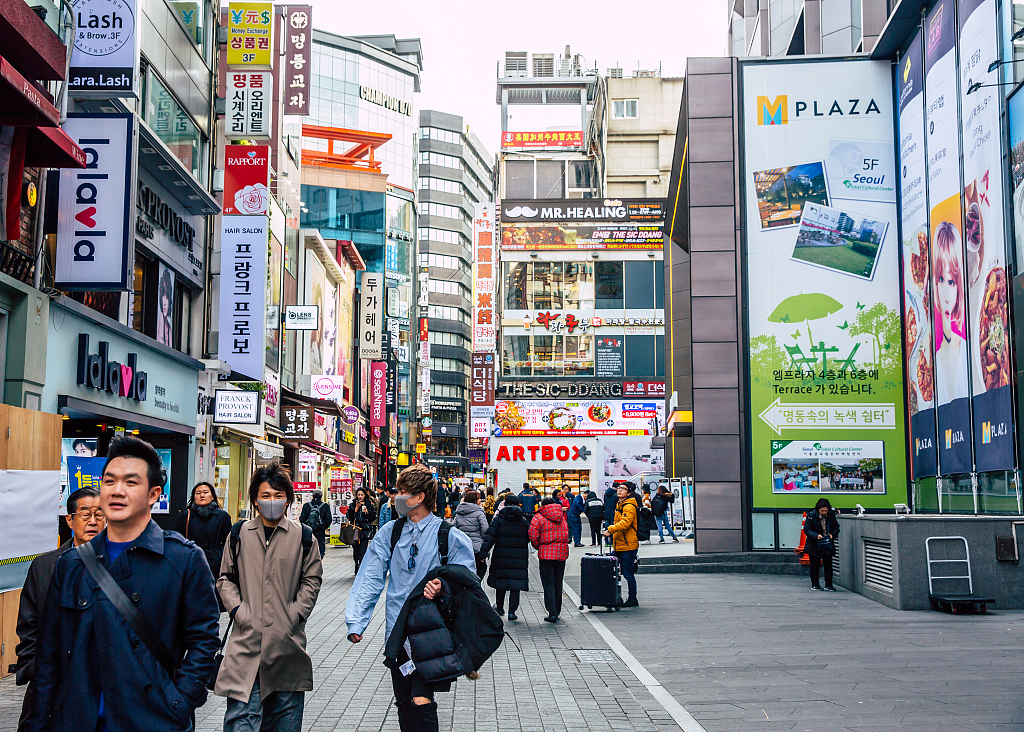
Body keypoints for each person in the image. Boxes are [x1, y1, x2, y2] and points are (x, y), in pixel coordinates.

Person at [25, 435, 220, 732]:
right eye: (109, 481)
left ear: (154, 494)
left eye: (131, 482)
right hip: (77, 721)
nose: (117, 491)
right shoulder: (71, 563)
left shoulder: (184, 559)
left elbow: (204, 642)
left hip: (152, 721)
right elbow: (49, 654)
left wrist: (179, 701)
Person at [345, 464, 476, 732]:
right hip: (398, 633)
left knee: (421, 699)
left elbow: (467, 582)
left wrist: (443, 587)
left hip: (432, 633)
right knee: (404, 700)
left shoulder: (449, 536)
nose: (397, 498)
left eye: (403, 492)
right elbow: (370, 577)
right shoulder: (390, 533)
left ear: (420, 497)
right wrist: (356, 622)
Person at [215, 460, 324, 732]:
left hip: (287, 647)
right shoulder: (239, 534)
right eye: (265, 495)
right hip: (246, 647)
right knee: (241, 723)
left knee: (284, 722)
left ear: (288, 500)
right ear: (255, 499)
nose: (272, 501)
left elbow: (312, 580)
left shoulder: (304, 537)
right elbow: (225, 578)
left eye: (278, 495)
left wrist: (296, 614)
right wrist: (239, 611)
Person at [15, 487, 105, 732]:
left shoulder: (119, 566)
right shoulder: (45, 566)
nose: (93, 521)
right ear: (69, 519)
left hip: (101, 687)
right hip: (52, 684)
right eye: (85, 515)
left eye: (100, 514)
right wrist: (37, 669)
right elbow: (28, 627)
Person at [933, 220, 969, 405]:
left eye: (951, 282)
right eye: (941, 279)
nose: (947, 296)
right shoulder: (932, 362)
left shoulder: (970, 353)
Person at [478, 494, 530, 621]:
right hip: (519, 557)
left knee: (501, 582)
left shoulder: (499, 519)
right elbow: (529, 537)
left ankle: (500, 607)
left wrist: (483, 553)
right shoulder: (523, 521)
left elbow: (489, 537)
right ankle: (512, 611)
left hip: (500, 555)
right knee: (515, 584)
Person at [174, 481, 232, 581]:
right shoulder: (186, 516)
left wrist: (219, 555)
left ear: (212, 496)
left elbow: (229, 542)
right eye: (198, 493)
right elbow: (178, 540)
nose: (202, 496)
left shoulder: (222, 516)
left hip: (216, 565)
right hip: (192, 562)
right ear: (193, 497)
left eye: (205, 492)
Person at [529, 497, 570, 623]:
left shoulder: (538, 517)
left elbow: (533, 534)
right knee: (558, 582)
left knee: (548, 583)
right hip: (561, 554)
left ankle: (551, 612)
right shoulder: (561, 517)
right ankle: (557, 610)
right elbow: (566, 533)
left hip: (546, 555)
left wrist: (539, 546)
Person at [604, 483, 640, 608]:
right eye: (619, 488)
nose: (620, 490)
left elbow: (625, 523)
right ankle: (617, 597)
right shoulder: (620, 504)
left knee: (628, 573)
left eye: (623, 489)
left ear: (628, 493)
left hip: (628, 545)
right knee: (618, 572)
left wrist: (610, 529)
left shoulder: (629, 506)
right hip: (620, 544)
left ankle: (632, 598)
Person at [804, 498, 840, 591]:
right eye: (822, 511)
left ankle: (829, 584)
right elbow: (807, 529)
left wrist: (833, 535)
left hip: (827, 542)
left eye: (826, 511)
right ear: (818, 510)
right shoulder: (812, 515)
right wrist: (816, 535)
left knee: (828, 564)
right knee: (815, 565)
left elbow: (836, 527)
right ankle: (815, 584)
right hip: (815, 543)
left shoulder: (831, 515)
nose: (824, 512)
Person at [453, 490, 489, 579]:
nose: (480, 500)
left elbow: (453, 528)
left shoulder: (459, 512)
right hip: (476, 547)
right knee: (480, 569)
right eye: (479, 498)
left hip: (462, 547)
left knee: (466, 571)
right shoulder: (479, 512)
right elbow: (485, 529)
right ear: (474, 500)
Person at [347, 488, 376, 574]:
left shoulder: (369, 504)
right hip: (355, 531)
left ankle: (361, 567)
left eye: (361, 495)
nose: (360, 497)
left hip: (365, 530)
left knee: (363, 550)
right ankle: (357, 564)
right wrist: (356, 508)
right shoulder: (353, 504)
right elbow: (349, 517)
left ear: (365, 495)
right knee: (356, 550)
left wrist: (367, 512)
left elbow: (373, 517)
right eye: (358, 495)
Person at [299, 489, 332, 558]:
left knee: (308, 549)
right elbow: (329, 519)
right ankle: (319, 562)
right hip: (320, 532)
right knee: (320, 550)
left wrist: (307, 527)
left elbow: (302, 519)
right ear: (321, 496)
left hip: (308, 532)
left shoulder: (306, 506)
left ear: (312, 496)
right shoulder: (325, 506)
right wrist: (322, 527)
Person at [602, 482, 619, 547]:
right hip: (613, 513)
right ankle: (612, 542)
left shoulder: (606, 493)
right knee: (612, 528)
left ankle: (606, 542)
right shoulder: (616, 494)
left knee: (606, 527)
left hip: (606, 513)